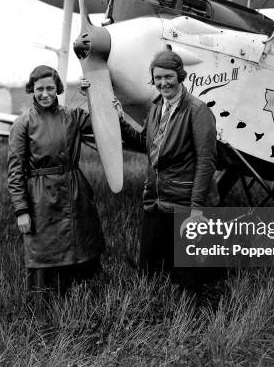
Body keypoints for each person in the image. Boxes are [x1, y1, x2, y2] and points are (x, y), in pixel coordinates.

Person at [82, 50, 217, 280]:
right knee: (150, 271)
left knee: (187, 276)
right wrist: (119, 118)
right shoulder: (156, 108)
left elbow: (206, 162)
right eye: (158, 78)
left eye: (168, 77)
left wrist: (196, 210)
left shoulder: (198, 111)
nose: (163, 83)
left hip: (182, 204)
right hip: (155, 201)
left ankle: (193, 314)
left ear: (180, 76)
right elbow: (146, 143)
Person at [7, 65, 105, 296]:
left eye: (50, 88)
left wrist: (93, 94)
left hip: (74, 191)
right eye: (39, 88)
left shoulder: (72, 116)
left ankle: (83, 302)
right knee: (45, 253)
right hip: (41, 197)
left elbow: (103, 120)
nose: (45, 94)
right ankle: (45, 313)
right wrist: (21, 210)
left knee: (82, 246)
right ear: (32, 89)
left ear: (58, 88)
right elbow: (14, 172)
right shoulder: (23, 123)